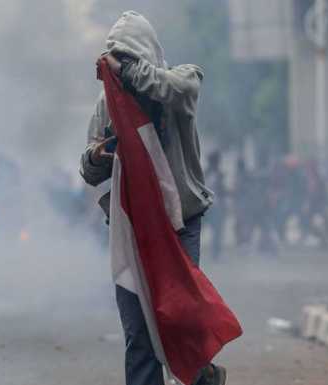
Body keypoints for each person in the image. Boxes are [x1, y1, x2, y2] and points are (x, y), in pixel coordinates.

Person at [80, 11, 226, 385]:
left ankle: (202, 375)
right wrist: (99, 155)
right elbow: (88, 167)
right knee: (139, 330)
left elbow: (172, 90)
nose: (118, 68)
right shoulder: (107, 103)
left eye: (128, 57)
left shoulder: (182, 79)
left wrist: (128, 71)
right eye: (116, 59)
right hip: (132, 227)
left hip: (179, 221)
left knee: (181, 318)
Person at [205, 151, 227, 260]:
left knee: (217, 230)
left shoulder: (206, 173)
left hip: (211, 206)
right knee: (217, 230)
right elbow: (221, 191)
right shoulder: (217, 174)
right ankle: (215, 253)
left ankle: (215, 252)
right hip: (215, 206)